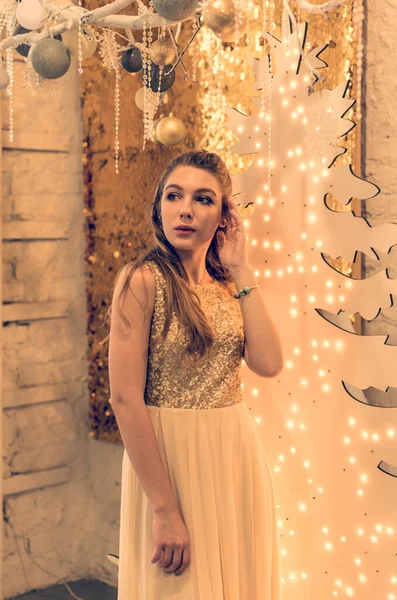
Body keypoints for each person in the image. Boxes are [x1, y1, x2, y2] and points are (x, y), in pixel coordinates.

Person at [106, 150, 284, 599]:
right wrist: (164, 509)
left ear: (224, 216)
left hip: (233, 456)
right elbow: (125, 399)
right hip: (172, 462)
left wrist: (242, 266)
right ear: (159, 208)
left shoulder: (228, 284)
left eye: (203, 199)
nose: (185, 209)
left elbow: (268, 363)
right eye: (174, 196)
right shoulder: (142, 281)